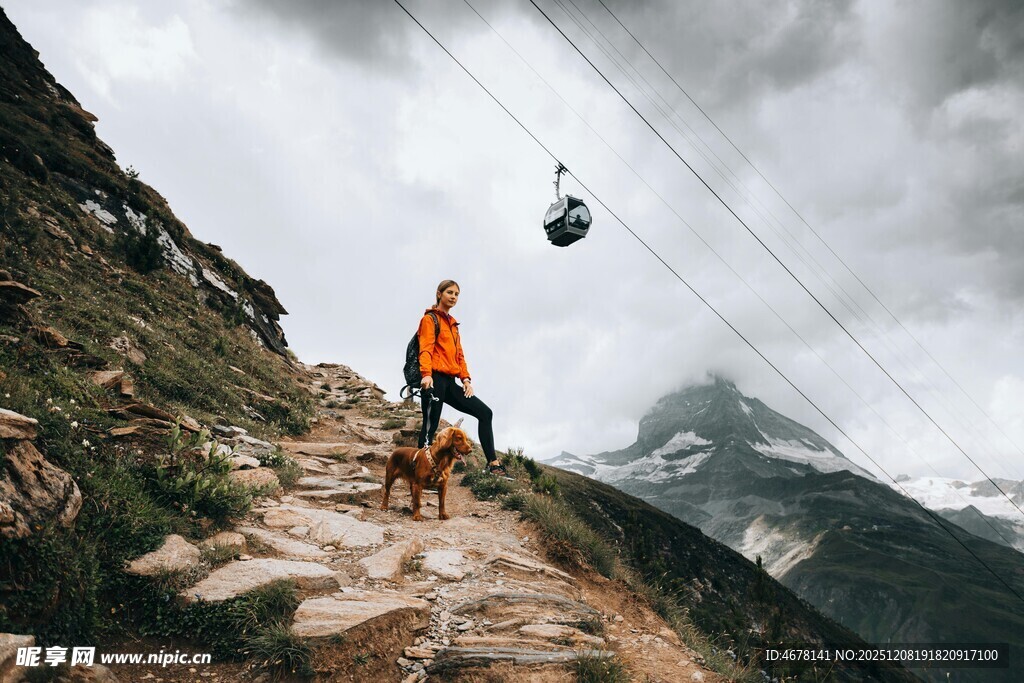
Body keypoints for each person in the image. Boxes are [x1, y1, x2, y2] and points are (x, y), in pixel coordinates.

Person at [417, 279, 506, 475]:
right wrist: (426, 375)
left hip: (450, 382)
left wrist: (466, 380)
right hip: (434, 379)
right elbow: (425, 349)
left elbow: (459, 355)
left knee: (485, 413)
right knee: (429, 427)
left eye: (456, 294)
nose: (453, 297)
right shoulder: (430, 319)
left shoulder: (453, 325)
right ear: (439, 294)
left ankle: (493, 464)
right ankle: (421, 473)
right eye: (449, 292)